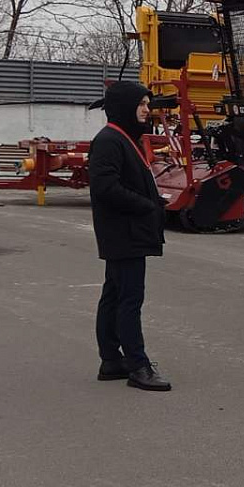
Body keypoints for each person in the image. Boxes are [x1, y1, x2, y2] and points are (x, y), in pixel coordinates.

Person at [88, 80, 170, 392]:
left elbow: (126, 181)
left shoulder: (122, 139)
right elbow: (105, 187)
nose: (147, 111)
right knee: (129, 299)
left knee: (114, 294)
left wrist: (154, 200)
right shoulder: (110, 140)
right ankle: (138, 365)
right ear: (124, 106)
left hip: (126, 231)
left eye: (147, 105)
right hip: (125, 233)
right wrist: (146, 206)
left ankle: (111, 360)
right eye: (142, 105)